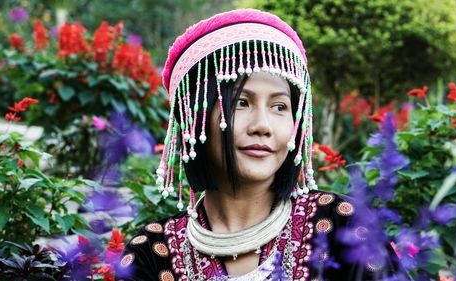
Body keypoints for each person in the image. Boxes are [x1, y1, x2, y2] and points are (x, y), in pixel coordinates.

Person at [116, 9, 396, 281]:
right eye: (241, 102)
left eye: (279, 106)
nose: (263, 125)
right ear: (196, 119)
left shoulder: (343, 225)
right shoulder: (151, 254)